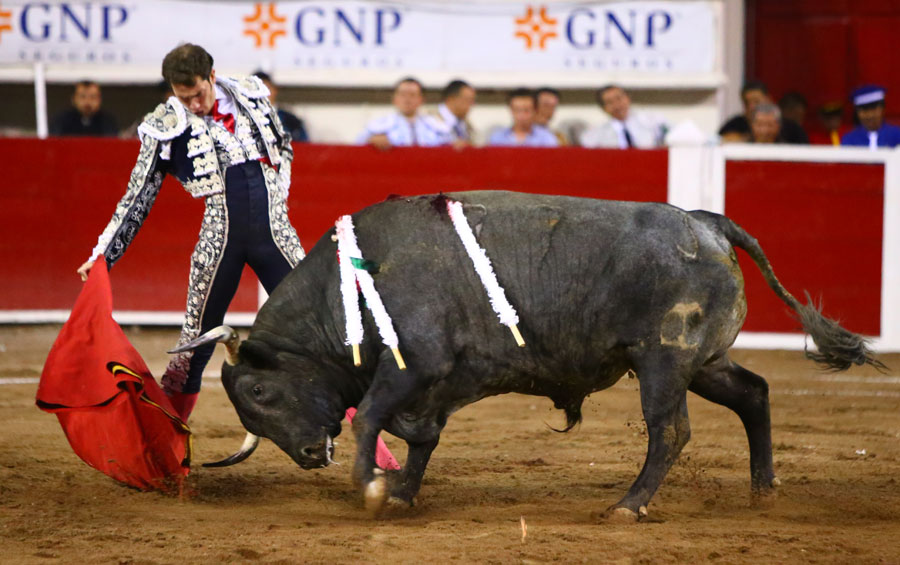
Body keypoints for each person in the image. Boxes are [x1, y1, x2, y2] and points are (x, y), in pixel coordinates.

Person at [75, 43, 305, 421]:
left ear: (211, 76)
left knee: (320, 328)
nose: (194, 105)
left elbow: (283, 146)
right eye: (184, 98)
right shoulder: (164, 125)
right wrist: (103, 255)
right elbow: (137, 197)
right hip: (220, 241)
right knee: (193, 347)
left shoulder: (251, 95)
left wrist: (279, 200)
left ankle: (370, 443)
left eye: (198, 93)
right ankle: (168, 438)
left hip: (275, 235)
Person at [356, 77, 452, 149]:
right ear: (394, 99)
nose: (407, 100)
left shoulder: (436, 125)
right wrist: (371, 140)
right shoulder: (379, 125)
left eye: (412, 95)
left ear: (421, 99)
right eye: (403, 95)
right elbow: (357, 146)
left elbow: (451, 146)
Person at [718, 81, 807, 144]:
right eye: (747, 102)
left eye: (756, 101)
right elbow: (718, 142)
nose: (751, 106)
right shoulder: (734, 125)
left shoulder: (792, 129)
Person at [580, 84, 667, 149]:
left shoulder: (652, 122)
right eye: (610, 102)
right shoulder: (597, 134)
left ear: (628, 98)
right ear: (604, 108)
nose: (617, 105)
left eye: (619, 98)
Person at [487, 88, 558, 147]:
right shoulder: (497, 138)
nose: (521, 116)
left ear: (535, 111)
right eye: (517, 110)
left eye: (526, 110)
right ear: (511, 110)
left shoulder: (547, 139)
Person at [253, 70, 309, 143]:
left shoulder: (291, 122)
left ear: (275, 90)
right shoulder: (242, 121)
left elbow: (303, 146)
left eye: (267, 88)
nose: (263, 94)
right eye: (257, 90)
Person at [50, 81, 119, 137]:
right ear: (73, 99)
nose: (87, 102)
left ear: (100, 100)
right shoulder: (62, 120)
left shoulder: (108, 122)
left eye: (93, 97)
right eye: (82, 97)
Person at [431, 79, 476, 147]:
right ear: (451, 99)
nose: (471, 104)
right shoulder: (429, 121)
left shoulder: (466, 125)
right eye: (468, 100)